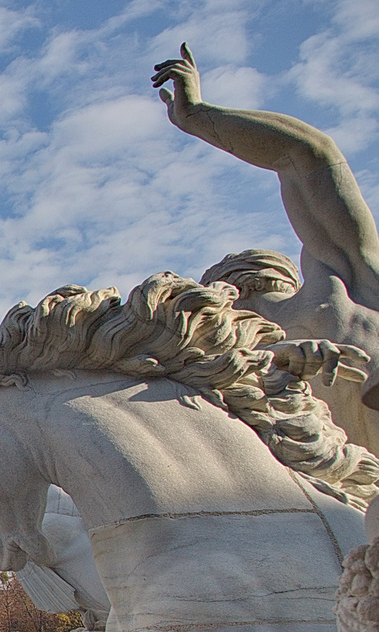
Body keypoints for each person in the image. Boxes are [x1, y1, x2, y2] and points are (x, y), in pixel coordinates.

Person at [153, 44, 379, 454]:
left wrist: (202, 118)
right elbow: (307, 155)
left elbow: (309, 156)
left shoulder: (340, 283)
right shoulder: (236, 371)